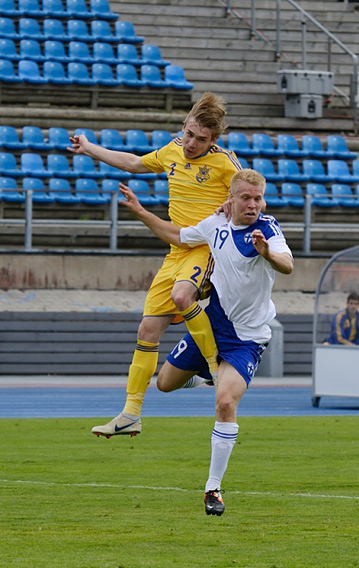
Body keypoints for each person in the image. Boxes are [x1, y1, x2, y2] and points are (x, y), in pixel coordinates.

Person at [119, 169, 293, 516]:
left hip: (246, 339)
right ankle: (207, 375)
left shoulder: (268, 230)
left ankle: (213, 488)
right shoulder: (214, 225)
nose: (253, 204)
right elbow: (178, 236)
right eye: (246, 197)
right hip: (211, 329)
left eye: (258, 198)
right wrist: (142, 213)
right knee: (165, 384)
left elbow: (287, 263)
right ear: (231, 198)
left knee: (226, 402)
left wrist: (266, 253)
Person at [69, 92, 243, 438]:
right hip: (175, 252)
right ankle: (130, 414)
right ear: (183, 126)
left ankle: (213, 366)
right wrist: (90, 148)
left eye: (201, 139)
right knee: (147, 331)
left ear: (214, 140)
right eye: (189, 133)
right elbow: (134, 163)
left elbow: (253, 194)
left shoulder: (226, 163)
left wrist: (233, 205)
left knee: (182, 298)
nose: (192, 143)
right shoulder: (172, 151)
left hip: (205, 249)